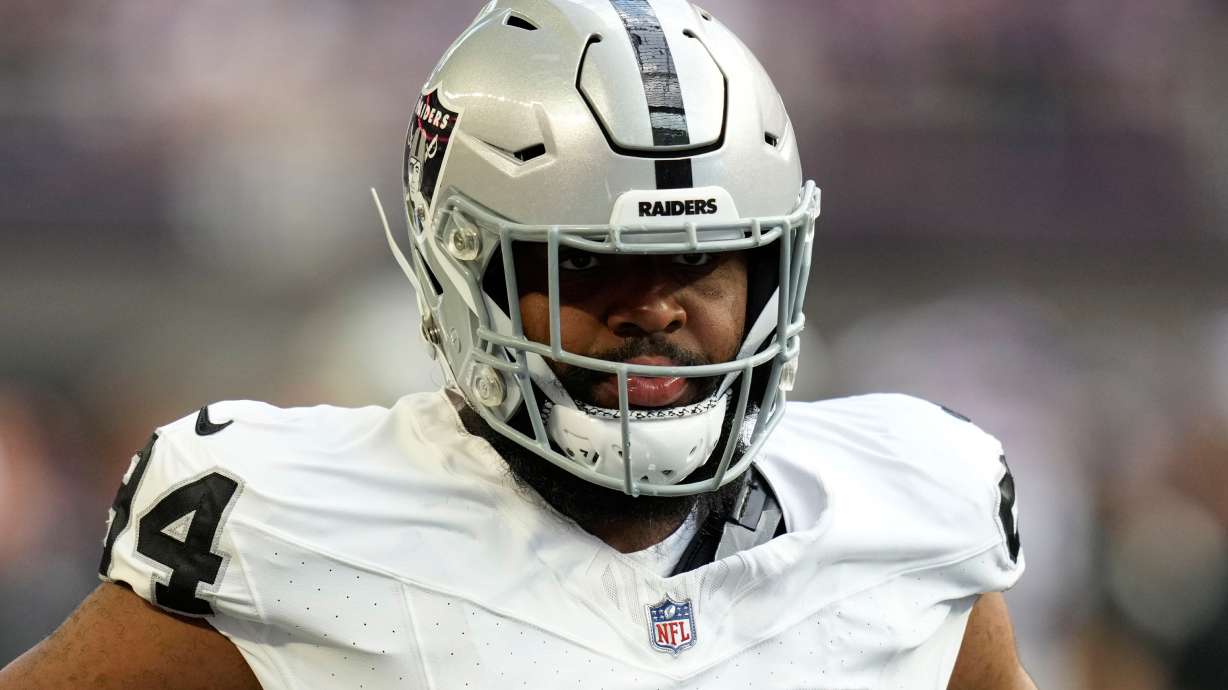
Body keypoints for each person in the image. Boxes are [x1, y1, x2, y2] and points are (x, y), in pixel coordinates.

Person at [0, 1, 1035, 687]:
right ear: (465, 269)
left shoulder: (903, 514)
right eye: (587, 265)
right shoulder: (283, 527)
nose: (658, 310)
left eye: (701, 263)